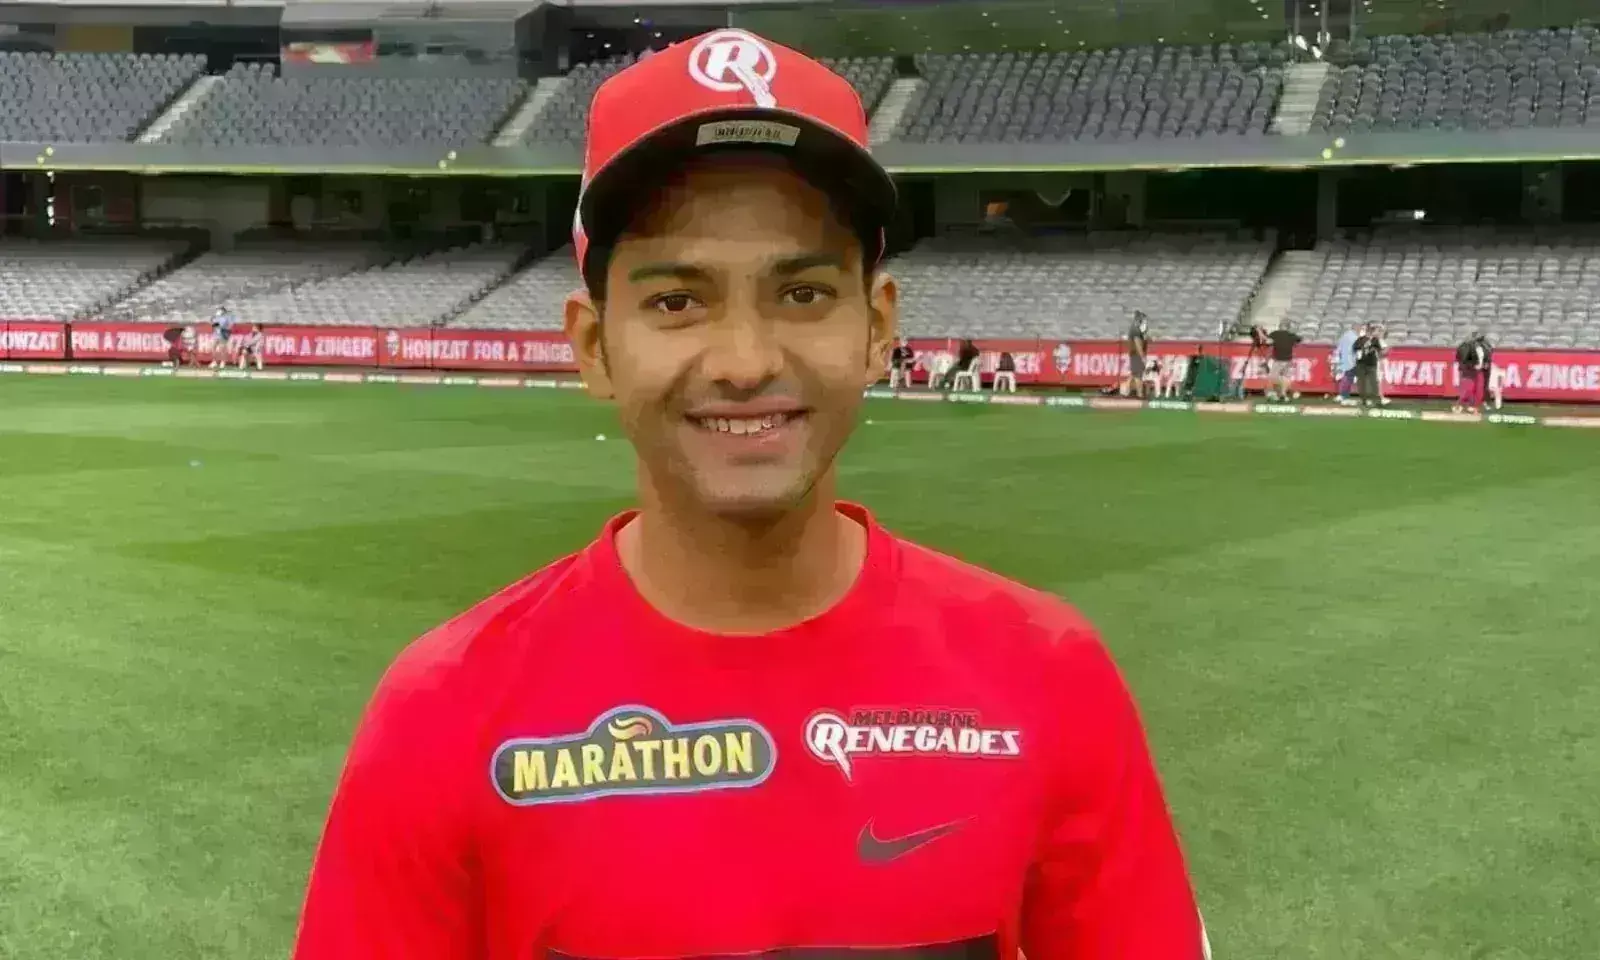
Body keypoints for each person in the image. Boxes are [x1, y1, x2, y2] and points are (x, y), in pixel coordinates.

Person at [291, 29, 1206, 960]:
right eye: (677, 301)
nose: (744, 361)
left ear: (877, 328)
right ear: (594, 346)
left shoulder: (1050, 679)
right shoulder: (440, 715)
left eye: (802, 294)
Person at [1265, 320, 1303, 401]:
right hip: (1288, 360)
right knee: (1285, 377)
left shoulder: (1275, 334)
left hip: (1278, 360)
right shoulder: (1291, 335)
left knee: (1273, 377)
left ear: (1280, 326)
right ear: (1288, 327)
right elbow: (1299, 339)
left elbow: (1268, 342)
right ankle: (1283, 395)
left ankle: (1279, 394)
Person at [1454, 331, 1487, 414]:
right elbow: (1462, 360)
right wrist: (1473, 366)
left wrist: (1484, 364)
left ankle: (1472, 406)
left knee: (1478, 390)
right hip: (1468, 371)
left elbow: (1483, 358)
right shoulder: (1465, 347)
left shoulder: (1481, 348)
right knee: (1467, 389)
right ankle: (1459, 406)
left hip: (1478, 370)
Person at [1352, 323, 1385, 408]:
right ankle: (1363, 401)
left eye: (1370, 330)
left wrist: (1375, 350)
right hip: (1361, 364)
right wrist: (1361, 350)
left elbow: (1380, 351)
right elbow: (1354, 348)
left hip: (1371, 364)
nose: (1369, 331)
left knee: (1373, 383)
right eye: (1368, 330)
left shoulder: (1375, 340)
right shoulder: (1360, 339)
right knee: (1361, 383)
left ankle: (1377, 401)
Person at [1124, 310, 1150, 397]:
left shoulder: (1137, 329)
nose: (1145, 322)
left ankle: (1126, 392)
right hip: (1136, 355)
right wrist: (1143, 357)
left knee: (1134, 374)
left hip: (1134, 354)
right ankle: (1140, 394)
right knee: (1138, 375)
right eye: (1143, 320)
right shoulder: (1135, 330)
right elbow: (1138, 344)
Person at [1333, 321, 1360, 404]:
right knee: (1348, 378)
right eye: (1359, 327)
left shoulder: (1345, 335)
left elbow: (1339, 347)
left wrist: (1338, 358)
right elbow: (1356, 349)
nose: (1360, 329)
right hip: (1351, 360)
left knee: (1346, 378)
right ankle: (1344, 396)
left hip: (1343, 359)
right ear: (1356, 328)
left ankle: (1342, 395)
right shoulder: (1354, 337)